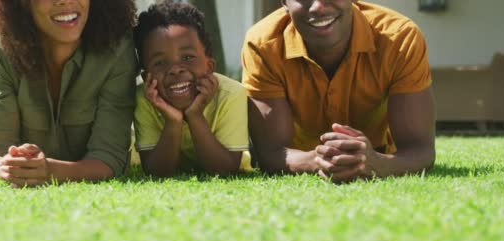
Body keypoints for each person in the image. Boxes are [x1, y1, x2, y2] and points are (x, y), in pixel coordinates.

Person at [242, 0, 436, 182]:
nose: (317, 6)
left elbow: (419, 150)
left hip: (379, 152)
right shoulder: (263, 43)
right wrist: (320, 160)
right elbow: (271, 153)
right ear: (284, 2)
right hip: (299, 157)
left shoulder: (399, 38)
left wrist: (378, 163)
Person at [0, 0, 137, 187]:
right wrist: (12, 167)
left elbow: (109, 159)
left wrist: (50, 170)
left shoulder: (117, 51)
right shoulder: (3, 56)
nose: (65, 1)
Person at [133, 0, 250, 177]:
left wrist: (195, 116)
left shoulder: (231, 94)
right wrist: (173, 122)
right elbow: (156, 172)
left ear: (210, 66)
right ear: (145, 76)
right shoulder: (144, 99)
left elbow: (225, 170)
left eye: (187, 57)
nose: (175, 69)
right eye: (160, 63)